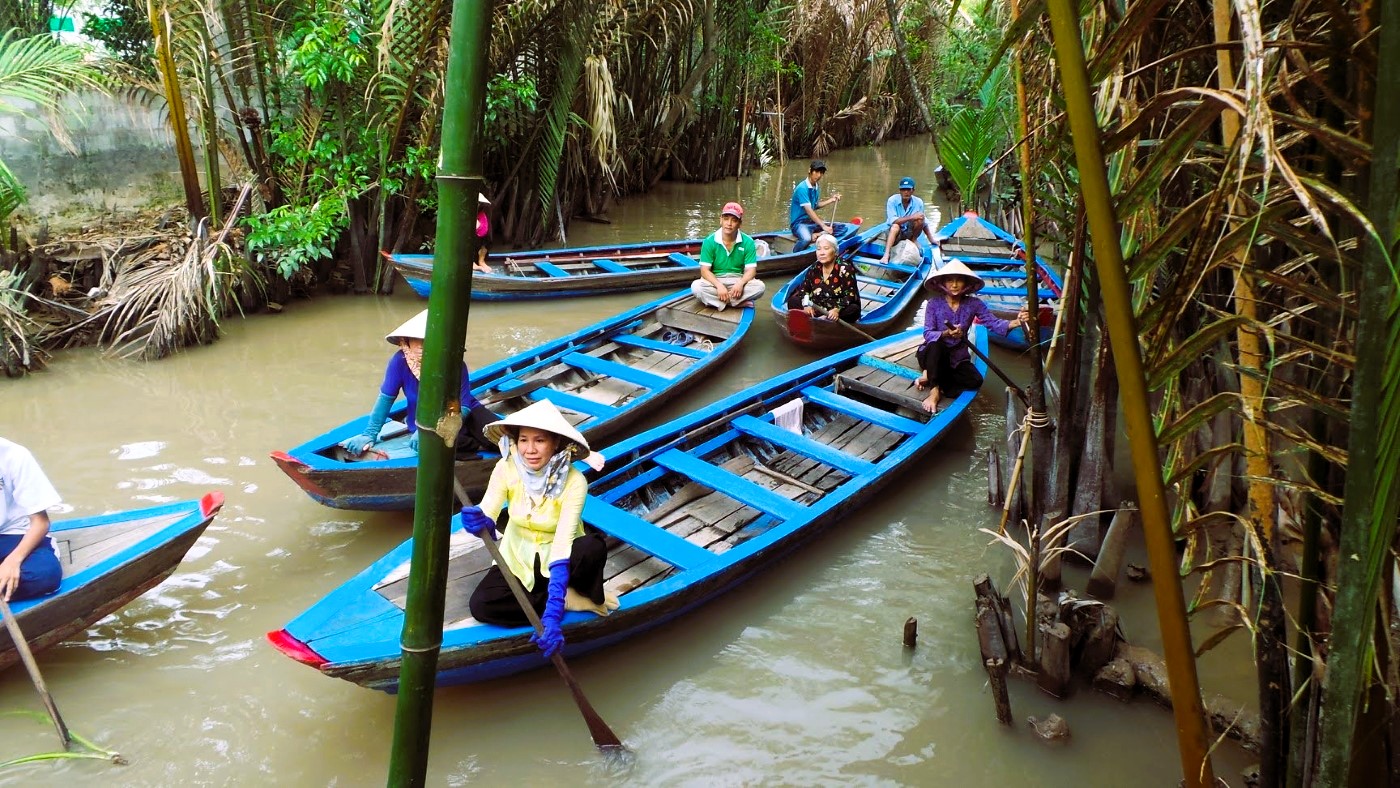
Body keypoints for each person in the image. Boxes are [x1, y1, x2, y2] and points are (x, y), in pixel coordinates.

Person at [458, 401, 618, 657]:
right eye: (523, 440)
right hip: (519, 557)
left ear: (555, 443)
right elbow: (488, 511)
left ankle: (563, 594)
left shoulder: (574, 481)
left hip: (562, 558)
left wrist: (552, 616)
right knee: (481, 606)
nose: (529, 450)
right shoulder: (505, 467)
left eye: (540, 441)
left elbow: (563, 544)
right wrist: (478, 522)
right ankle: (568, 599)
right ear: (515, 442)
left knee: (592, 546)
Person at [339, 309, 499, 457]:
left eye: (430, 341)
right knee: (442, 446)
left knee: (502, 438)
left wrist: (436, 428)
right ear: (407, 341)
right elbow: (385, 399)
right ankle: (475, 445)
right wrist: (369, 433)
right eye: (418, 341)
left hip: (461, 413)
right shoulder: (399, 362)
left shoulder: (455, 364)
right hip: (422, 422)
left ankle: (477, 444)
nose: (423, 347)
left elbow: (461, 406)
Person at [917, 260, 1030, 413]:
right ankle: (935, 389)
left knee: (974, 381)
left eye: (959, 280)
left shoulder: (974, 304)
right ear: (942, 283)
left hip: (957, 356)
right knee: (937, 345)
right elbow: (928, 333)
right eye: (950, 280)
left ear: (966, 284)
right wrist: (946, 333)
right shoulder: (933, 304)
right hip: (933, 353)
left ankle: (930, 375)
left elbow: (993, 324)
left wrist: (1017, 322)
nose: (955, 284)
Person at [0, 438, 63, 603]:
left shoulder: (14, 455)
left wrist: (12, 562)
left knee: (45, 575)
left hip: (12, 534)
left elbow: (40, 522)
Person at [691, 201, 765, 310]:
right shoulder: (709, 241)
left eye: (734, 220)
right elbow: (705, 271)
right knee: (696, 287)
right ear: (721, 220)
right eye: (726, 219)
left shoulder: (748, 241)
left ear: (739, 223)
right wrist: (719, 286)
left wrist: (740, 284)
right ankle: (735, 302)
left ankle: (719, 302)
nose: (729, 223)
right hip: (715, 280)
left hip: (737, 279)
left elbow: (751, 271)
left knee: (760, 287)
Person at [784, 232, 861, 323]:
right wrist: (806, 306)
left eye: (826, 249)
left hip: (836, 311)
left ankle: (824, 320)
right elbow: (804, 290)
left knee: (853, 310)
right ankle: (813, 319)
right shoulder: (815, 267)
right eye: (819, 249)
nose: (822, 253)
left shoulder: (845, 268)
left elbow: (850, 295)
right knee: (793, 300)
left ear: (835, 251)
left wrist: (836, 309)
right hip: (817, 308)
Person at [878, 176, 938, 262]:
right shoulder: (892, 200)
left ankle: (913, 240)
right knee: (895, 226)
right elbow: (893, 220)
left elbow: (924, 223)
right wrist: (912, 217)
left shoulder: (918, 202)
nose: (906, 192)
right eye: (903, 190)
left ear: (913, 190)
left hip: (909, 232)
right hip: (895, 233)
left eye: (908, 190)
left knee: (920, 219)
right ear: (900, 191)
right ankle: (886, 254)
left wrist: (931, 239)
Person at [788, 160, 841, 252]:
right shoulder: (802, 188)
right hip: (798, 224)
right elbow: (809, 210)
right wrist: (823, 226)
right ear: (810, 171)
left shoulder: (815, 187)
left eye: (821, 173)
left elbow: (815, 205)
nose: (819, 175)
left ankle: (817, 234)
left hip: (809, 222)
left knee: (839, 228)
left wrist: (831, 200)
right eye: (816, 172)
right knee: (806, 239)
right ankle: (794, 255)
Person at [473, 193, 493, 274]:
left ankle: (481, 261)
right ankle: (472, 264)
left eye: (479, 203)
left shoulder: (482, 215)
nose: (478, 205)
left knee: (488, 238)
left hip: (480, 241)